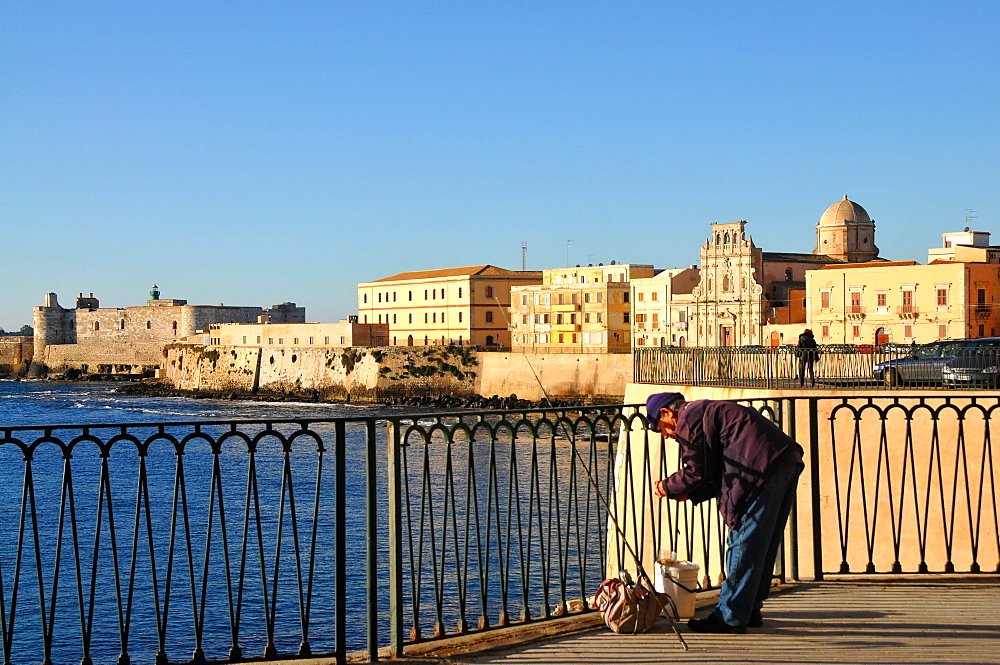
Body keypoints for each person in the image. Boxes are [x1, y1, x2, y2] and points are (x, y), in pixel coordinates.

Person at [648, 392, 804, 634]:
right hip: (784, 459)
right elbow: (713, 469)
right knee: (762, 543)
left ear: (667, 413)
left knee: (743, 540)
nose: (667, 436)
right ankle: (749, 608)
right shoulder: (705, 411)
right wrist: (692, 494)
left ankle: (729, 616)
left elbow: (696, 471)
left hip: (760, 468)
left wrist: (666, 486)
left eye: (662, 429)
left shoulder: (689, 418)